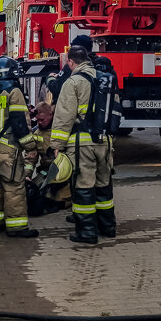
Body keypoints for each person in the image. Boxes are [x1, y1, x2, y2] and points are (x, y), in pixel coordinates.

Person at [50, 45, 116, 244]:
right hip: (105, 142)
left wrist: (57, 145)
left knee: (83, 187)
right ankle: (108, 227)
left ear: (71, 62)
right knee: (104, 186)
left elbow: (64, 116)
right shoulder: (104, 78)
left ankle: (87, 232)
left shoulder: (73, 82)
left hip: (82, 145)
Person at [0, 56, 40, 238]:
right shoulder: (14, 92)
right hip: (8, 150)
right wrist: (30, 145)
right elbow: (19, 123)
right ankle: (16, 227)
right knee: (14, 187)